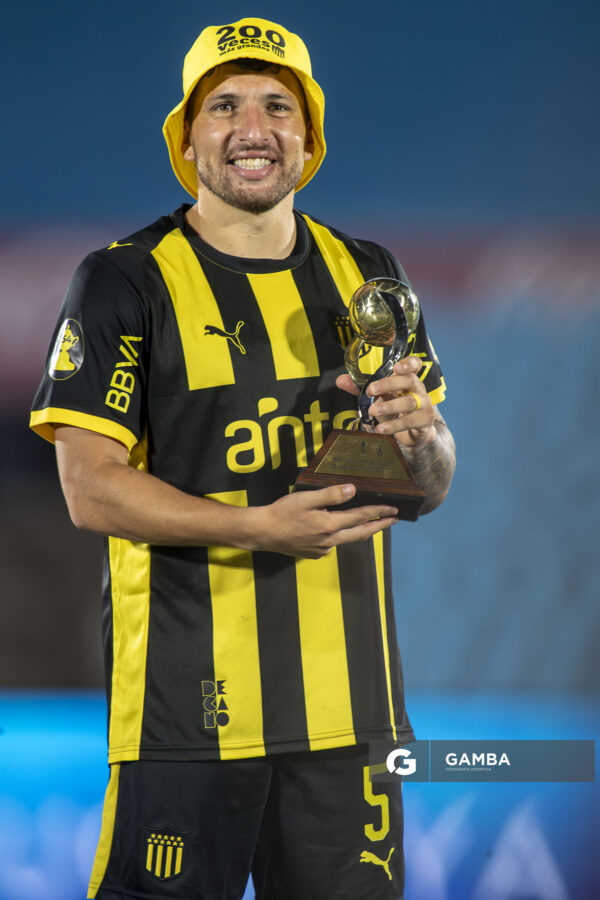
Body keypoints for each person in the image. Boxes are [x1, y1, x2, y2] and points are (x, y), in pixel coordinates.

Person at [30, 17, 455, 900]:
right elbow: (89, 487)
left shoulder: (367, 272)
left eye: (276, 105)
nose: (251, 128)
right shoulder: (123, 280)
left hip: (356, 719)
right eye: (223, 106)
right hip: (186, 717)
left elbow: (429, 486)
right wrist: (257, 528)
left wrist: (424, 438)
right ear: (187, 139)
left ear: (310, 135)